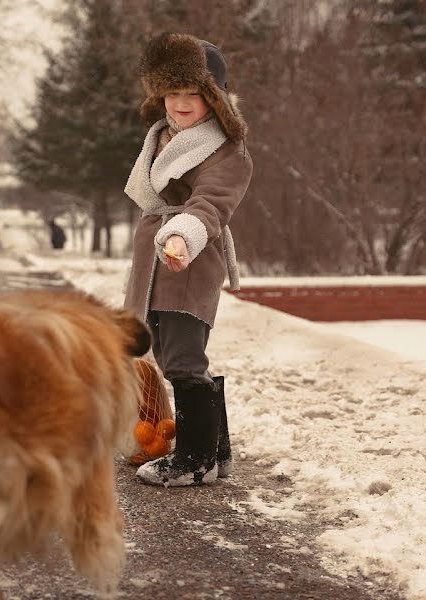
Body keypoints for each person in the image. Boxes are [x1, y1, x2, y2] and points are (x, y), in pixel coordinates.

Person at [123, 33, 253, 487]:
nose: (180, 103)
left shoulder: (224, 150)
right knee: (168, 352)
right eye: (172, 93)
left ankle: (194, 459)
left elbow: (211, 204)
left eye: (191, 94)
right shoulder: (163, 137)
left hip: (189, 259)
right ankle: (217, 451)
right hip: (157, 264)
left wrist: (181, 236)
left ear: (212, 98)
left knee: (182, 358)